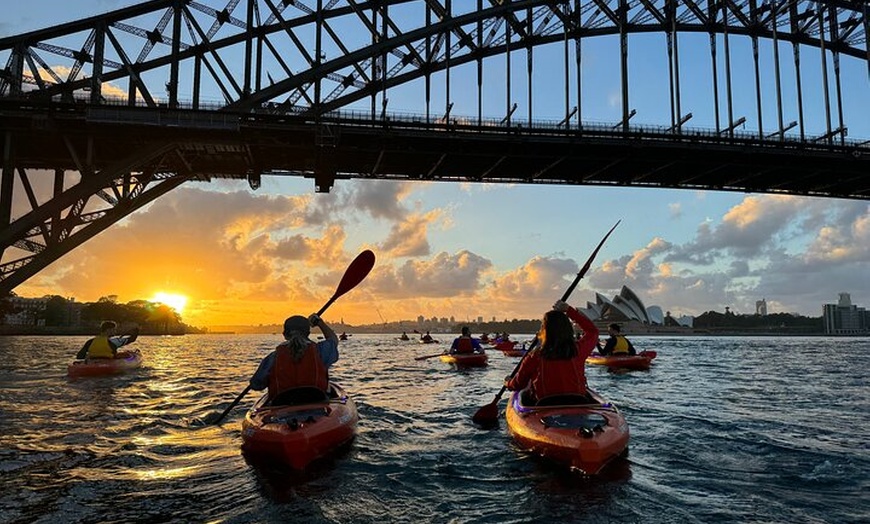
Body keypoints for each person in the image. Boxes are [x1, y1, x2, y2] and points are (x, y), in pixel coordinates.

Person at [504, 300, 598, 405]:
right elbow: (593, 332)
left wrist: (508, 382)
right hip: (578, 402)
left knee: (526, 395)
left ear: (544, 330)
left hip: (545, 405)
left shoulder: (535, 356)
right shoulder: (579, 350)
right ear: (569, 329)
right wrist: (569, 311)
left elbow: (518, 384)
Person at [249, 313, 338, 405]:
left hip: (281, 407)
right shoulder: (320, 351)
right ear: (308, 334)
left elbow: (256, 385)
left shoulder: (273, 357)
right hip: (317, 403)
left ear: (284, 335)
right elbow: (333, 340)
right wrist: (319, 323)